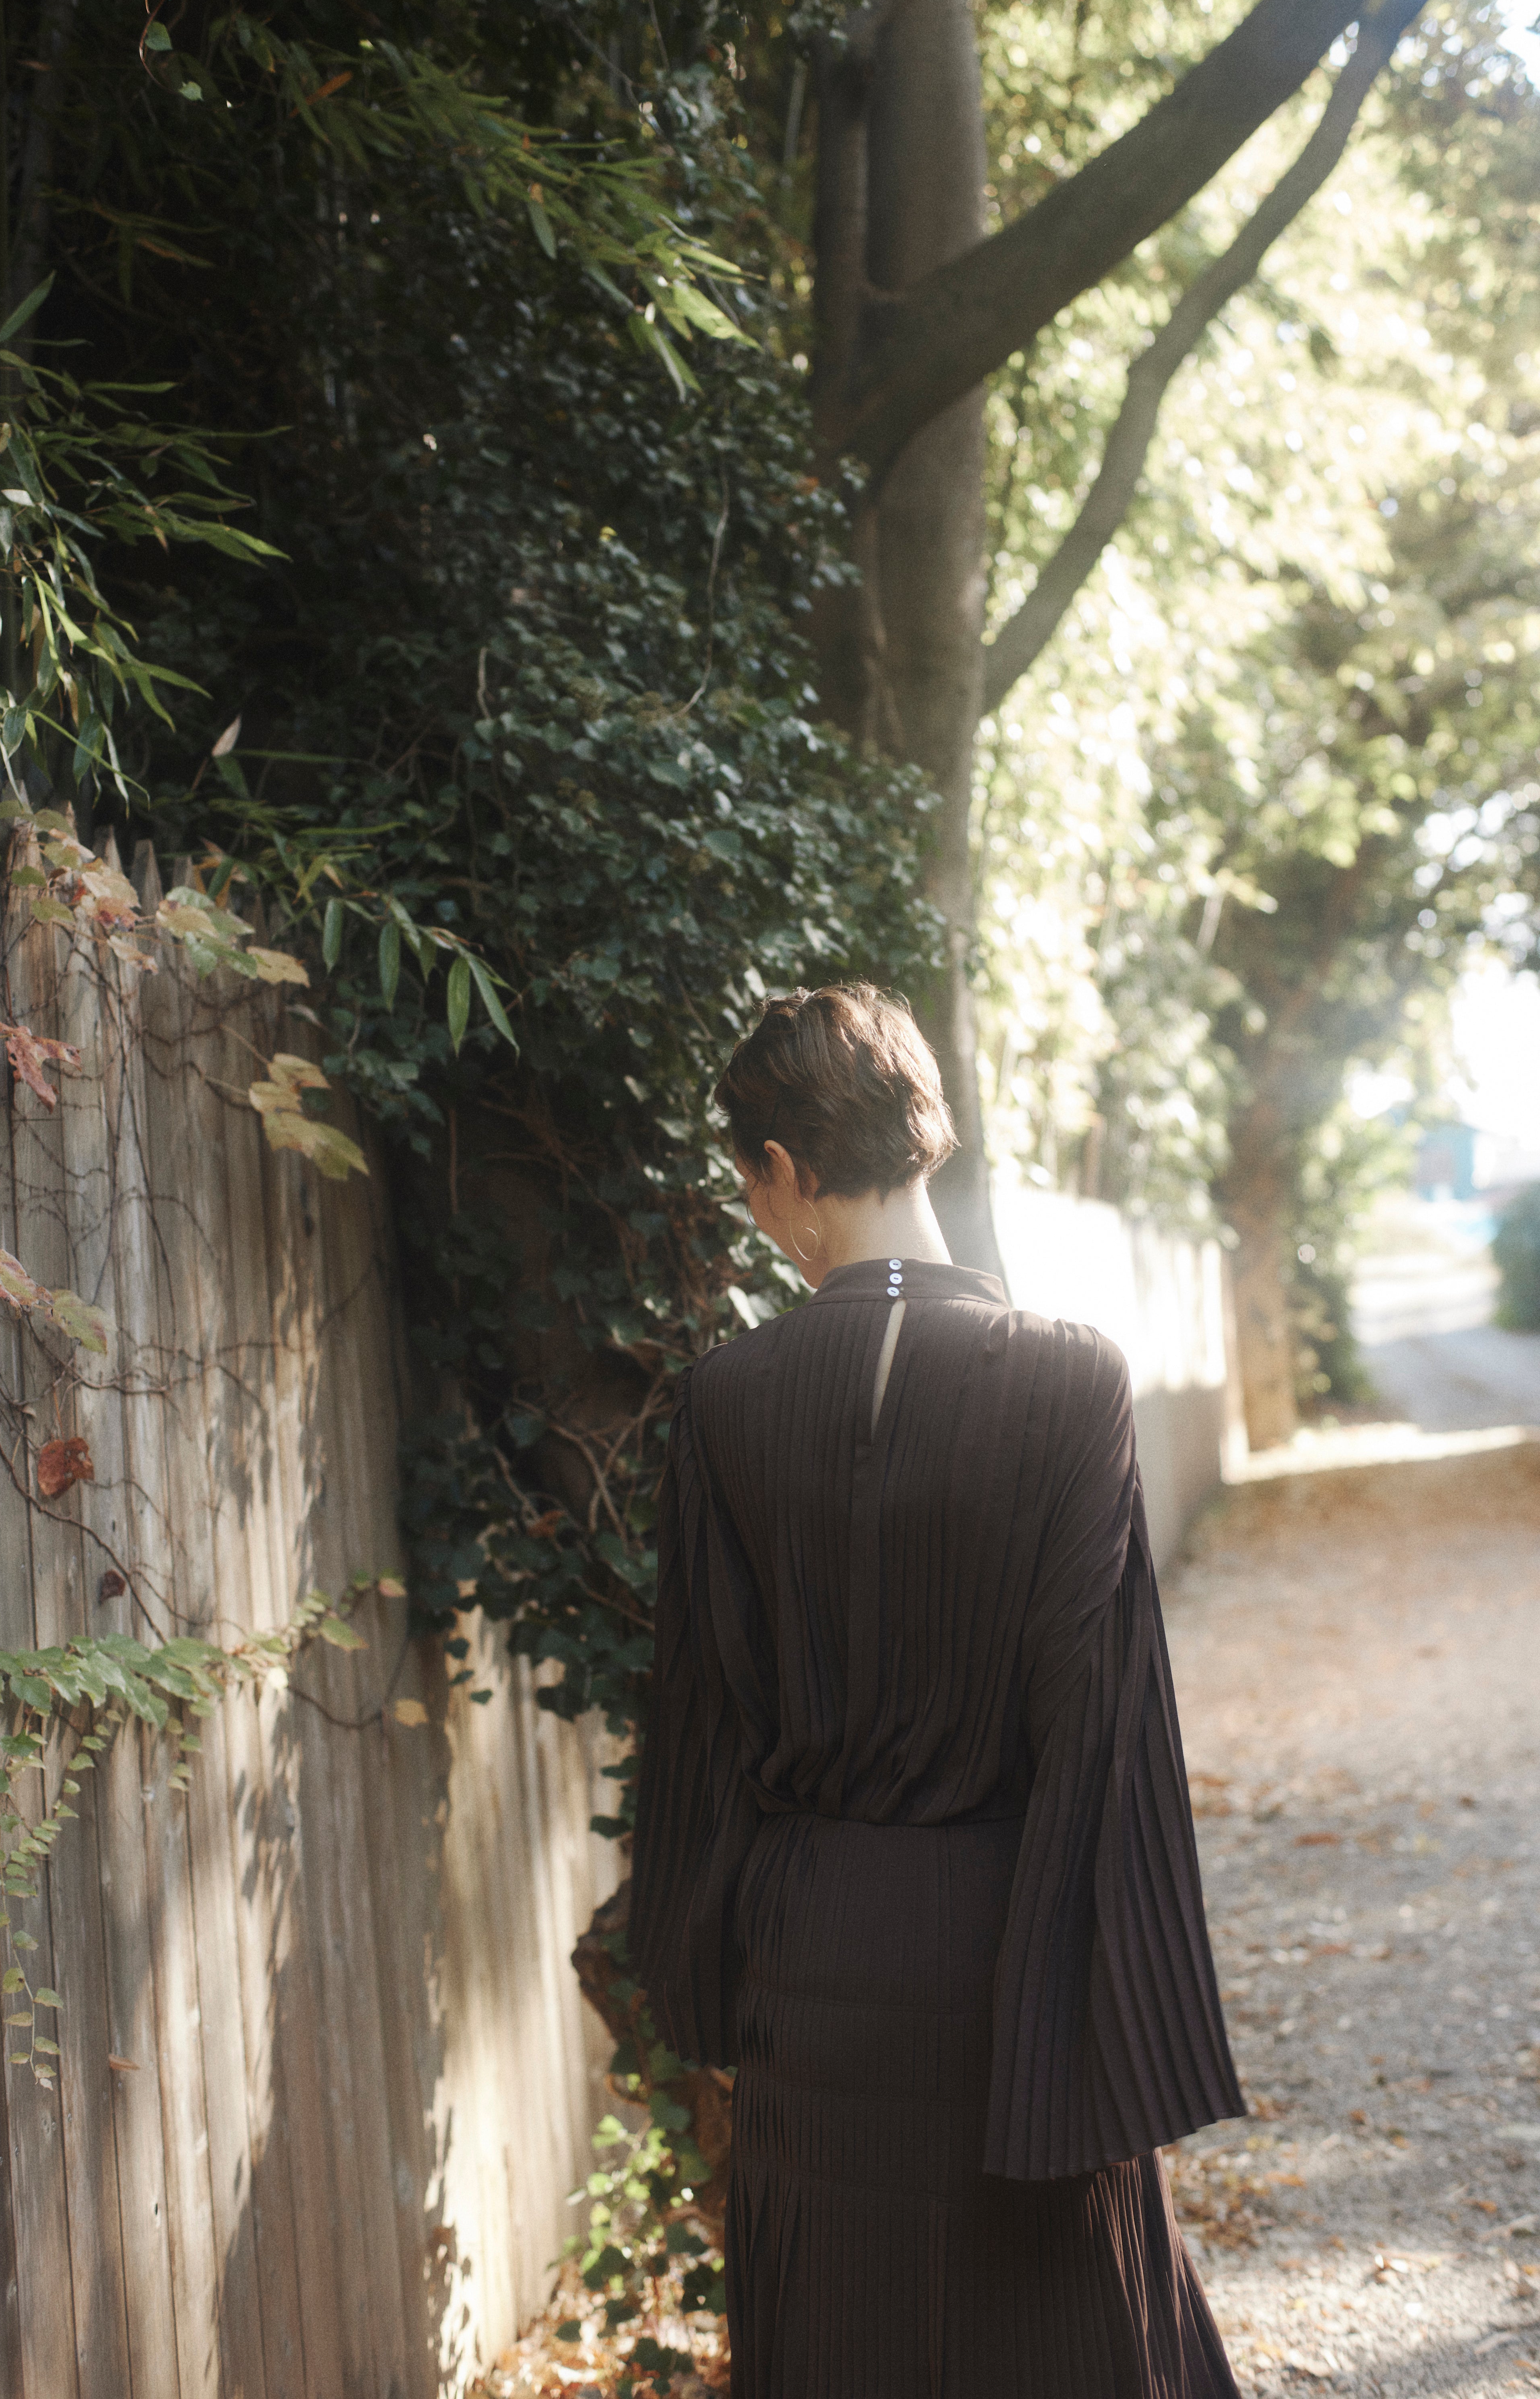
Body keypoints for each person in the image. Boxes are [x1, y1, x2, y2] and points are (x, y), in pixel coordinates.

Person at [628, 983, 1245, 2399]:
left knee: (844, 2336)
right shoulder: (1077, 1383)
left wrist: (708, 1994)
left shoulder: (726, 1402)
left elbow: (703, 1729)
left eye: (751, 1186)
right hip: (1007, 1956)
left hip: (812, 1957)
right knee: (1061, 2329)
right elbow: (1106, 1730)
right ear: (934, 1136)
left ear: (780, 1174)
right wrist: (1109, 2013)